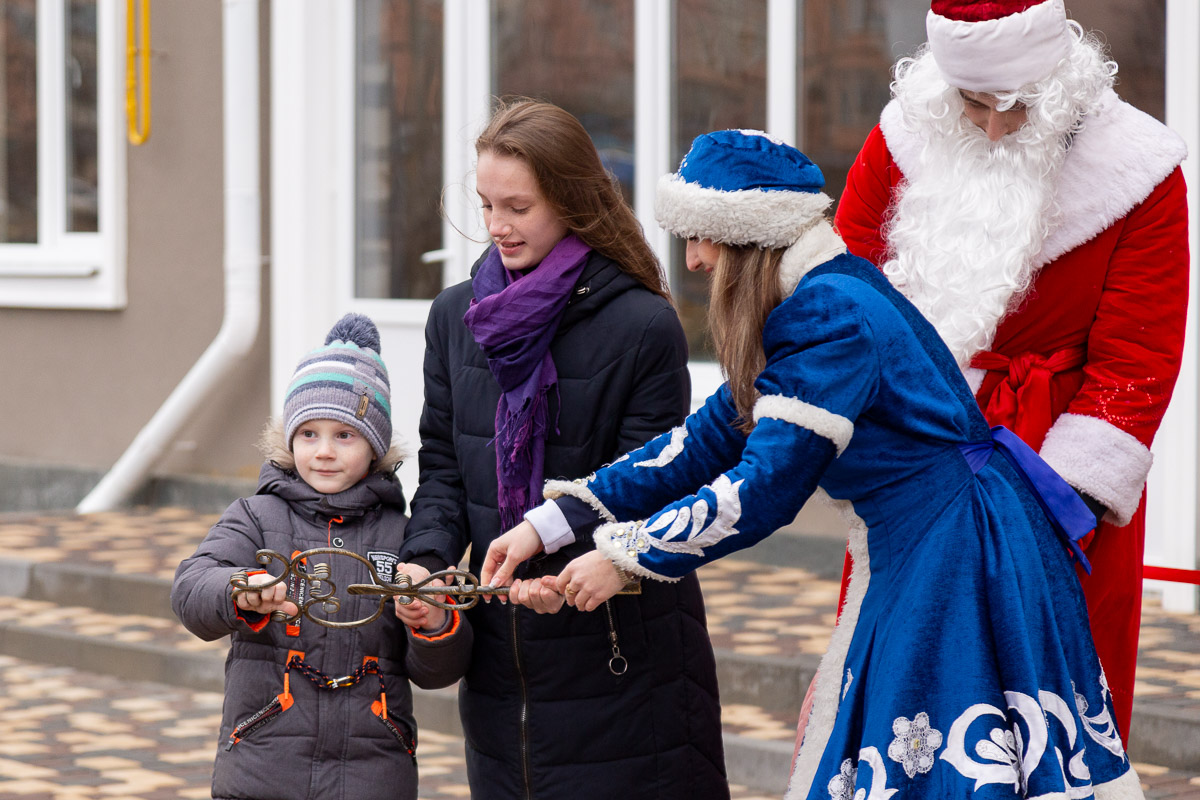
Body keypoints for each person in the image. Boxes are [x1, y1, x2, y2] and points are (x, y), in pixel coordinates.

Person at [483, 129, 1143, 799]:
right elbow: (704, 442)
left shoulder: (828, 317)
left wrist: (626, 555)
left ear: (749, 239)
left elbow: (764, 487)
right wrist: (554, 522)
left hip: (954, 555)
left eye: (703, 236)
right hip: (939, 542)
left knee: (932, 763)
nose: (695, 260)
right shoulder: (820, 296)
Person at [832, 0, 1190, 742]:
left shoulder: (1142, 174)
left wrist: (1044, 511)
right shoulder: (901, 139)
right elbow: (842, 311)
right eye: (972, 104)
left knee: (1047, 713)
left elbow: (1136, 364)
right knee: (901, 703)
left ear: (1059, 78)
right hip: (914, 460)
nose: (993, 127)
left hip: (1058, 481)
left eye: (1017, 105)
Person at [393, 98, 728, 799]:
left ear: (571, 199)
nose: (494, 226)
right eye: (486, 204)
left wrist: (566, 573)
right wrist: (425, 562)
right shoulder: (456, 318)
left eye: (516, 207)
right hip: (500, 673)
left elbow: (653, 486)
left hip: (621, 663)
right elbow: (445, 469)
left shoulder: (643, 326)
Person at [171, 313, 472, 800]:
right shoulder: (255, 515)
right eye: (309, 434)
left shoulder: (405, 537)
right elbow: (191, 588)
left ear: (374, 448)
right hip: (264, 766)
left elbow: (438, 671)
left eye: (344, 435)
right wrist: (240, 590)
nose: (324, 452)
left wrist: (432, 624)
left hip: (373, 773)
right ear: (289, 438)